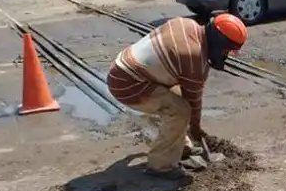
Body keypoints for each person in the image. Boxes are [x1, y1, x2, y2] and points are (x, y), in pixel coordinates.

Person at [106, 13, 249, 180]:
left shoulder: (188, 24)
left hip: (124, 67)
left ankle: (181, 147)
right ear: (219, 43)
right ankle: (161, 165)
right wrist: (196, 130)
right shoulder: (194, 58)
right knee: (180, 110)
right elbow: (193, 102)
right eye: (227, 51)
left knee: (177, 98)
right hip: (127, 84)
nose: (226, 55)